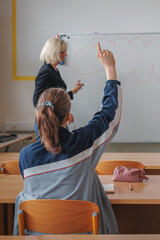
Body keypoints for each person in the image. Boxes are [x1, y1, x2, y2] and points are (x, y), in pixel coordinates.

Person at [13, 43, 121, 235]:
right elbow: (108, 115)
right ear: (68, 114)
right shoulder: (82, 145)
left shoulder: (25, 157)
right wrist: (110, 70)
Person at [33, 37, 84, 124]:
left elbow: (56, 97)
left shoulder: (53, 70)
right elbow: (37, 101)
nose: (66, 54)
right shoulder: (46, 72)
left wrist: (73, 91)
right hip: (48, 124)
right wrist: (61, 113)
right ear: (55, 53)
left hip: (56, 121)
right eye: (63, 52)